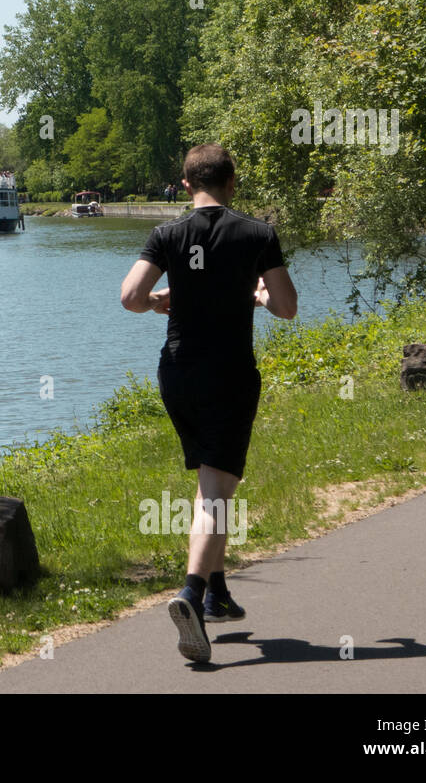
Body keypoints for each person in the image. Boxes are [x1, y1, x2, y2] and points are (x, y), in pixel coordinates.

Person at [119, 143, 298, 663]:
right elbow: (286, 307)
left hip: (176, 374)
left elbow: (130, 297)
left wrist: (159, 299)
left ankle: (218, 592)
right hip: (229, 375)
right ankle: (192, 593)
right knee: (215, 492)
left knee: (206, 481)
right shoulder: (258, 234)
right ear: (232, 182)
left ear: (185, 185)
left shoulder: (168, 234)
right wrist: (260, 296)